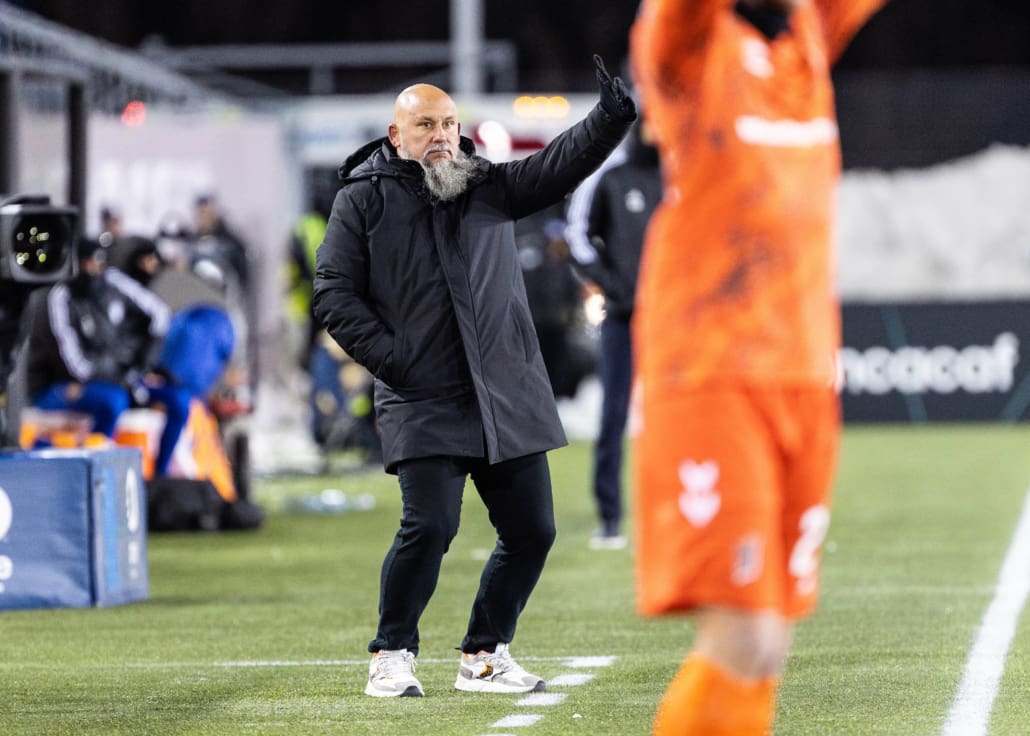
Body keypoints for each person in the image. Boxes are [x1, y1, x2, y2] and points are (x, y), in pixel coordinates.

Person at [312, 55, 636, 698]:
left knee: (533, 532)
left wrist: (610, 115)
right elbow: (333, 294)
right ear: (395, 134)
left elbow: (559, 162)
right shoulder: (362, 198)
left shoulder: (487, 184)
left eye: (450, 124)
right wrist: (396, 361)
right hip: (422, 395)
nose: (441, 136)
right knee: (429, 526)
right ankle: (390, 652)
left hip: (503, 392)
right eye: (426, 124)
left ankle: (484, 654)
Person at [629, 1, 888, 733]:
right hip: (711, 370)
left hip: (803, 373)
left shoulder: (803, 41)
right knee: (743, 632)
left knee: (768, 642)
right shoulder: (686, 46)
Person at [565, 117, 661, 550]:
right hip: (623, 318)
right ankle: (610, 518)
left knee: (681, 417)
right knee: (613, 418)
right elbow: (578, 235)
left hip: (673, 320)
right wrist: (612, 283)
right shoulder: (611, 176)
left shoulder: (682, 172)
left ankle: (685, 513)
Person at [24, 238, 192, 477]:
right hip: (68, 385)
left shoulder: (112, 281)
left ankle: (159, 475)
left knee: (179, 400)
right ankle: (96, 473)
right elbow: (76, 365)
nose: (93, 270)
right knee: (113, 401)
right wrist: (119, 378)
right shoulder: (60, 297)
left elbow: (160, 314)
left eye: (97, 264)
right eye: (87, 264)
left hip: (123, 375)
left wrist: (141, 364)